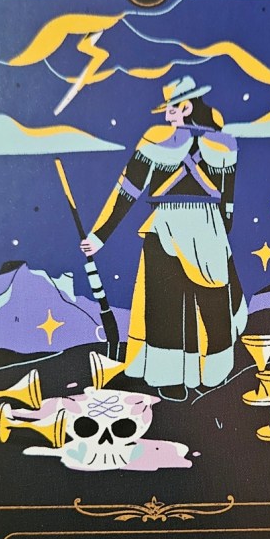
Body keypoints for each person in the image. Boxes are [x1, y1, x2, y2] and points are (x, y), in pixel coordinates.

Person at [81, 76, 247, 401]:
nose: (168, 116)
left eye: (171, 109)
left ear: (186, 107)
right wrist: (220, 230)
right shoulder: (226, 145)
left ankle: (171, 379)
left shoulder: (156, 140)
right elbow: (228, 203)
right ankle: (212, 373)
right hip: (209, 229)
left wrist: (100, 235)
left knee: (166, 304)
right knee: (210, 301)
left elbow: (126, 192)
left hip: (166, 226)